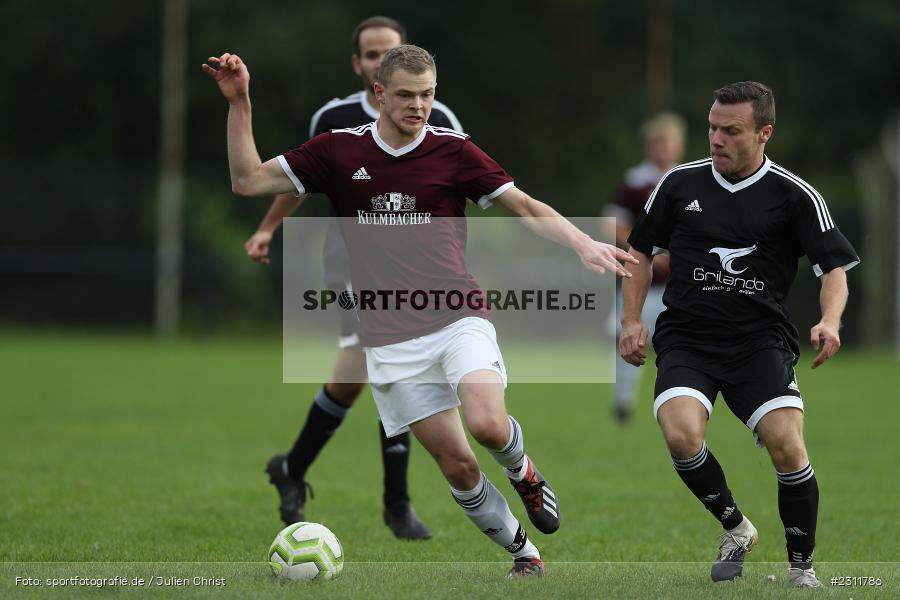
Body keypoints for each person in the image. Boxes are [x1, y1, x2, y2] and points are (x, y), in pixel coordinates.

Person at [203, 43, 637, 577]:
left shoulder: (454, 151)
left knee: (487, 425)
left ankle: (524, 473)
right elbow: (247, 180)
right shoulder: (338, 151)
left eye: (428, 95)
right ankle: (524, 555)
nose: (419, 106)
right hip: (387, 339)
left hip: (458, 317)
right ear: (379, 93)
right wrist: (240, 101)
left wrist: (582, 243)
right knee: (457, 465)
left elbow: (522, 205)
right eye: (406, 95)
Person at [620, 81, 859, 588]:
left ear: (764, 133)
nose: (716, 140)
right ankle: (736, 528)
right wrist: (631, 320)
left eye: (731, 131)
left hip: (759, 343)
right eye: (712, 128)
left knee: (788, 446)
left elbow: (833, 269)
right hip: (688, 338)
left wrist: (830, 321)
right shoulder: (679, 185)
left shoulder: (794, 196)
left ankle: (802, 569)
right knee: (682, 436)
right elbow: (639, 252)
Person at [244, 16, 462, 541]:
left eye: (386, 50)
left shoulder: (440, 116)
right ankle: (398, 503)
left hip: (419, 271)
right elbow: (298, 178)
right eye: (368, 54)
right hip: (353, 264)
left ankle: (293, 468)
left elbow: (453, 182)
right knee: (393, 358)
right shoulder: (335, 119)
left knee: (355, 375)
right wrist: (268, 227)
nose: (376, 60)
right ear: (362, 67)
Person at [603, 112, 686, 422]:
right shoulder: (636, 181)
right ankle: (623, 402)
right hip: (643, 281)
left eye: (668, 141)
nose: (663, 148)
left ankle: (678, 404)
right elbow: (612, 223)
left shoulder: (688, 179)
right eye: (657, 142)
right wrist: (649, 251)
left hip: (681, 286)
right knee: (627, 341)